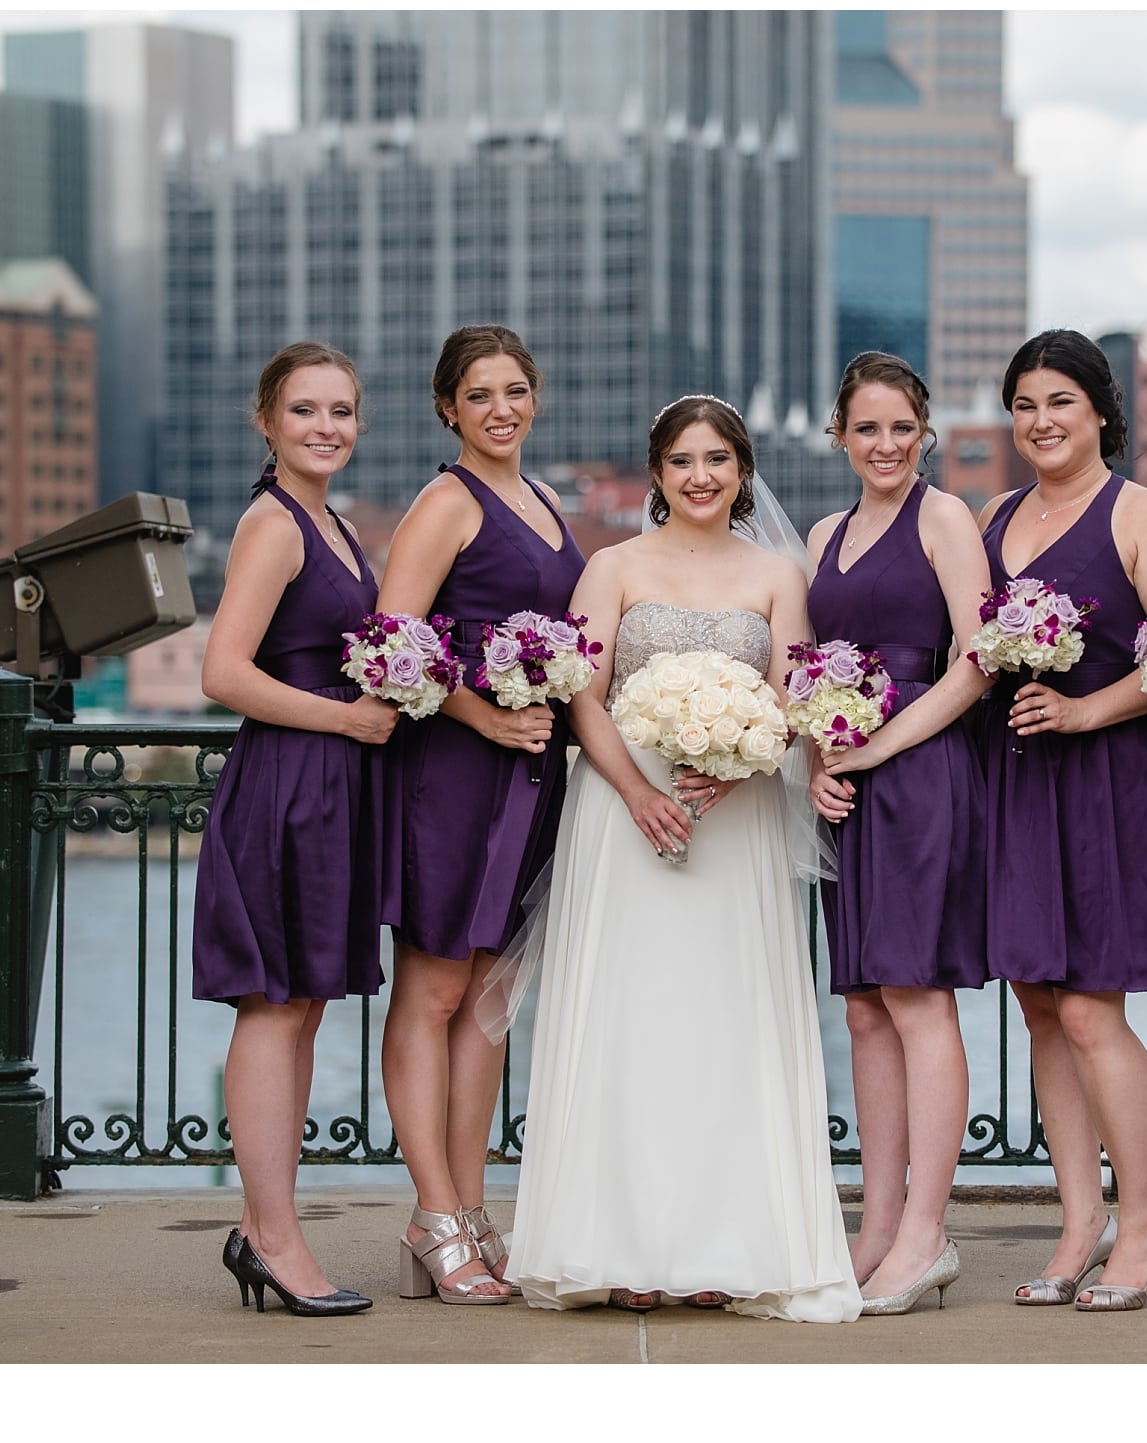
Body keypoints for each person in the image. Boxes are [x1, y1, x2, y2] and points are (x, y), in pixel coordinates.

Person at [505, 396, 861, 1322]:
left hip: (735, 819)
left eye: (717, 459)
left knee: (723, 1020)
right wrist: (635, 789)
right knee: (627, 1013)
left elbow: (793, 696)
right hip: (624, 812)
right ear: (658, 473)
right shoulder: (612, 565)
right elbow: (581, 693)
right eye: (681, 461)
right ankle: (615, 1243)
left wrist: (744, 769)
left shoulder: (780, 573)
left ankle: (723, 1244)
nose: (700, 476)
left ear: (743, 469)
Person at [978, 329, 1147, 1312]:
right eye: (1023, 405)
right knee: (1035, 1002)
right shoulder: (991, 515)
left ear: (1101, 411)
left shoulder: (1143, 514)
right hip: (1016, 776)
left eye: (1058, 402)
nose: (1039, 422)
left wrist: (1083, 707)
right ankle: (1077, 1221)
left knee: (1087, 1008)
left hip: (1110, 775)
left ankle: (1144, 1221)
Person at [374, 325, 585, 1304]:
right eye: (479, 394)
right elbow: (390, 647)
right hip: (453, 779)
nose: (501, 407)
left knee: (489, 1004)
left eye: (515, 389)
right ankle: (433, 1215)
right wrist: (479, 715)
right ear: (446, 408)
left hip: (530, 783)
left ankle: (471, 1210)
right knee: (432, 993)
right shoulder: (442, 504)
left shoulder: (543, 501)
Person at [192, 340, 398, 1316]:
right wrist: (346, 718)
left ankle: (263, 1224)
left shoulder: (334, 522)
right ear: (266, 421)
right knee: (273, 1008)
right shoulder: (273, 525)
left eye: (342, 411)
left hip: (329, 785)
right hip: (285, 779)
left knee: (301, 1007)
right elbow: (222, 671)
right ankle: (274, 1238)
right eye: (306, 410)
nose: (326, 427)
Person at [805, 352, 990, 1315]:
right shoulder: (825, 532)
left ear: (924, 431)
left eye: (901, 428)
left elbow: (978, 662)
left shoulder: (945, 518)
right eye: (866, 428)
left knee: (918, 997)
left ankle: (927, 1231)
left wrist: (877, 747)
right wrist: (816, 762)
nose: (885, 444)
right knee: (865, 1005)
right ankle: (876, 1224)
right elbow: (804, 666)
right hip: (849, 780)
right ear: (839, 435)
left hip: (920, 770)